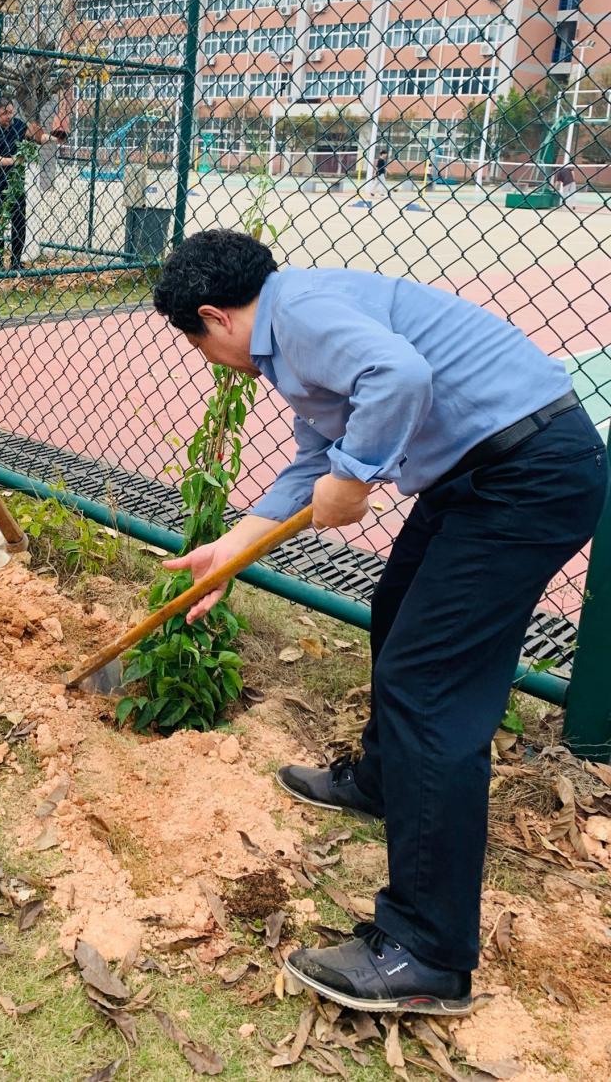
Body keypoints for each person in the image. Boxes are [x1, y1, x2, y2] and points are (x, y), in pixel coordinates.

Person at [153, 229, 607, 1015]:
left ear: (215, 317)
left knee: (428, 684)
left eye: (198, 345)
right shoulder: (291, 328)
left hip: (527, 473)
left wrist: (357, 475)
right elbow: (315, 461)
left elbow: (400, 376)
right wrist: (231, 548)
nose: (209, 361)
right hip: (478, 473)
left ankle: (427, 952)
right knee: (398, 612)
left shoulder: (299, 316)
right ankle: (386, 782)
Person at [0, 96, 65, 271]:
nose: (9, 116)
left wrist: (55, 138)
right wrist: (14, 161)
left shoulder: (18, 125)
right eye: (4, 113)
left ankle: (15, 261)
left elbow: (38, 137)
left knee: (19, 222)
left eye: (11, 112)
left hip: (16, 183)